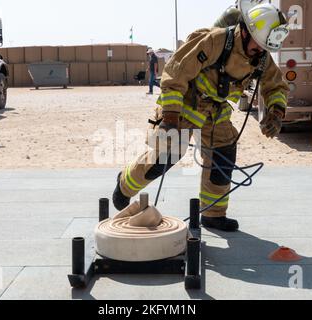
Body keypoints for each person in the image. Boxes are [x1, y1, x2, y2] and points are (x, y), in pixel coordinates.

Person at [112, 1, 290, 232]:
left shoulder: (261, 55)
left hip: (215, 111)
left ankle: (213, 213)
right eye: (259, 46)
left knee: (223, 156)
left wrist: (276, 112)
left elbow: (276, 86)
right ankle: (124, 185)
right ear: (245, 31)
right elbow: (175, 74)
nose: (261, 53)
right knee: (166, 157)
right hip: (186, 102)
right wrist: (170, 118)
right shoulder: (215, 41)